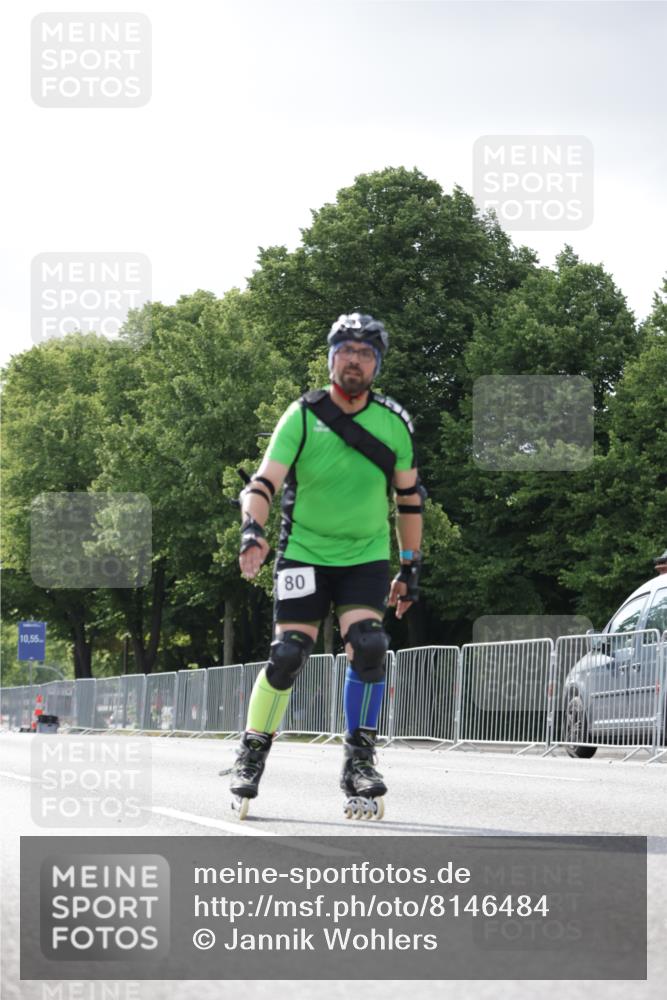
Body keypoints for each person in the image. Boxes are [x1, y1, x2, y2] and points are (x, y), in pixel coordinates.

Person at [230, 311, 425, 817]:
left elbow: (409, 500)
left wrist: (410, 567)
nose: (354, 360)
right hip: (305, 554)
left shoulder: (394, 423)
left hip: (364, 558)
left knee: (369, 646)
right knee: (289, 654)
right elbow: (263, 482)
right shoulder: (302, 415)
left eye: (365, 353)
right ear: (331, 357)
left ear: (377, 363)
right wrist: (253, 530)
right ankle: (251, 752)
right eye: (346, 350)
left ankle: (359, 760)